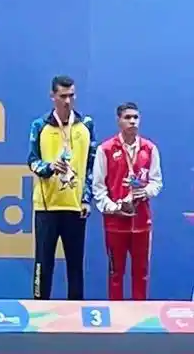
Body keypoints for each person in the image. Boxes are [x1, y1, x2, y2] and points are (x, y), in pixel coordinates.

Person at [27, 75, 97, 300]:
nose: (68, 101)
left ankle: (76, 310)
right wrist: (49, 167)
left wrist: (86, 198)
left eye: (71, 95)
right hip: (47, 204)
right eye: (63, 96)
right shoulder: (40, 125)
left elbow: (90, 165)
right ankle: (39, 305)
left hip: (75, 205)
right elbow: (32, 161)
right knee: (43, 261)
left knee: (75, 263)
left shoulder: (86, 124)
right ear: (52, 97)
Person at [92, 102, 163, 300]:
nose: (132, 121)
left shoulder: (149, 149)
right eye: (127, 118)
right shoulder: (105, 150)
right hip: (115, 223)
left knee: (141, 274)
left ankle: (139, 319)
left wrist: (145, 192)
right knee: (115, 274)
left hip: (142, 223)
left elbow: (157, 182)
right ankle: (116, 319)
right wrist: (113, 208)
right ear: (118, 121)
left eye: (135, 118)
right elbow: (98, 187)